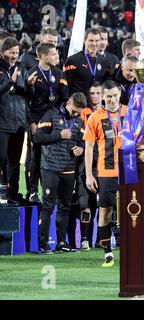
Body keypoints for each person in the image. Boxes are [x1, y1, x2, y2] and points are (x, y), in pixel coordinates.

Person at [34, 92, 86, 254]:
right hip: (50, 168)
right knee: (48, 206)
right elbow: (37, 138)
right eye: (75, 110)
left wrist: (81, 148)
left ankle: (61, 242)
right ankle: (43, 245)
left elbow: (82, 139)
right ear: (69, 102)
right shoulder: (52, 114)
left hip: (69, 169)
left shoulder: (78, 119)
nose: (77, 113)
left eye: (79, 111)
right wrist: (59, 135)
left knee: (65, 207)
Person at [84, 80, 127, 267]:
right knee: (105, 212)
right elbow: (88, 147)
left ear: (120, 95)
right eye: (108, 96)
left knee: (131, 210)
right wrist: (88, 174)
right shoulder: (95, 117)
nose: (112, 100)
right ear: (102, 96)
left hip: (130, 171)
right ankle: (108, 253)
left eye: (115, 96)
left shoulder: (129, 113)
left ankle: (132, 249)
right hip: (106, 171)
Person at [25, 42, 69, 204]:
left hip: (53, 120)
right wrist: (31, 122)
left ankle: (51, 192)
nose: (55, 56)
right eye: (52, 54)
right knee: (36, 155)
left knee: (52, 156)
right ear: (43, 56)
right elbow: (27, 101)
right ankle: (32, 192)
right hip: (37, 119)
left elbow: (64, 98)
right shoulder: (31, 74)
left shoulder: (58, 73)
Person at [0, 36, 33, 204]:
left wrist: (30, 85)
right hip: (2, 122)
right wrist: (9, 82)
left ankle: (13, 193)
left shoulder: (21, 67)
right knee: (2, 160)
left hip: (19, 122)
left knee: (14, 161)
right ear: (3, 51)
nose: (14, 56)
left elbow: (28, 94)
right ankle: (2, 192)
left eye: (16, 52)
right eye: (11, 52)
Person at [78, 82, 102, 250]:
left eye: (97, 93)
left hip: (104, 165)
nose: (95, 96)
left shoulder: (109, 113)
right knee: (86, 203)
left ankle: (102, 239)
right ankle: (85, 239)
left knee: (104, 204)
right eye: (92, 93)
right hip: (86, 165)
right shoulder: (83, 113)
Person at [63, 28, 112, 96]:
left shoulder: (104, 62)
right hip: (78, 104)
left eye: (97, 40)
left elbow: (106, 85)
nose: (94, 44)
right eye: (91, 40)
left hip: (96, 104)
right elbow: (65, 85)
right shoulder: (72, 60)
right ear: (84, 40)